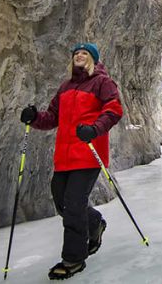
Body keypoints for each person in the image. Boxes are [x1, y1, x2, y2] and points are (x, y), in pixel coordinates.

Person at [20, 43, 123, 279]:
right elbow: (52, 118)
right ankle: (95, 221)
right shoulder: (65, 87)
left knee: (74, 204)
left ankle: (73, 259)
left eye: (84, 53)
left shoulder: (102, 82)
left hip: (88, 152)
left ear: (93, 59)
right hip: (64, 157)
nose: (79, 55)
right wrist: (34, 117)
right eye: (76, 53)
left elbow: (114, 110)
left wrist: (95, 129)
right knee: (62, 204)